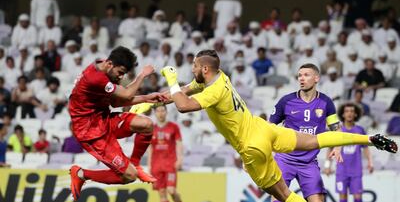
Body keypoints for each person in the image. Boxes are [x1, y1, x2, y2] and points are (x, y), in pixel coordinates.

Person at [153, 49, 396, 202]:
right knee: (315, 140)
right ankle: (370, 139)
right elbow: (186, 90)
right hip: (264, 128)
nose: (192, 70)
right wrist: (160, 96)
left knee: (284, 196)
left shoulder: (213, 92)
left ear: (204, 69)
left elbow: (183, 105)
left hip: (252, 145)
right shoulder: (220, 77)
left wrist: (172, 80)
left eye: (194, 66)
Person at [68, 46, 167, 201]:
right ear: (109, 65)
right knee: (129, 176)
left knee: (146, 124)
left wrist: (147, 97)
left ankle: (136, 163)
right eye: (120, 72)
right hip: (90, 132)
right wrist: (142, 75)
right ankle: (81, 174)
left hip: (104, 119)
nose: (121, 77)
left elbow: (115, 102)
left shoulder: (103, 66)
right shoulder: (95, 78)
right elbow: (127, 95)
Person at [269, 63, 342, 202]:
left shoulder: (326, 102)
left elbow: (336, 128)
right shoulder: (286, 101)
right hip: (285, 159)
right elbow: (268, 128)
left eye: (306, 75)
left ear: (316, 78)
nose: (302, 78)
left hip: (309, 162)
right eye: (299, 75)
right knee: (277, 199)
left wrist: (338, 148)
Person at [324, 102, 373, 202]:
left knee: (358, 199)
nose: (349, 113)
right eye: (346, 111)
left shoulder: (360, 130)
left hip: (356, 172)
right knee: (343, 199)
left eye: (352, 111)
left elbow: (366, 148)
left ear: (356, 114)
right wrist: (327, 166)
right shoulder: (338, 130)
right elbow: (330, 148)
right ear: (343, 114)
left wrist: (370, 162)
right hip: (341, 171)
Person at [148, 104, 183, 202]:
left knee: (171, 190)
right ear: (154, 113)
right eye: (158, 111)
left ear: (166, 112)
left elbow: (179, 143)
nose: (160, 113)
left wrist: (180, 159)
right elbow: (150, 148)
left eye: (162, 110)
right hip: (156, 165)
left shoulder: (174, 127)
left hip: (170, 164)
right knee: (162, 194)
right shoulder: (151, 129)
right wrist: (149, 166)